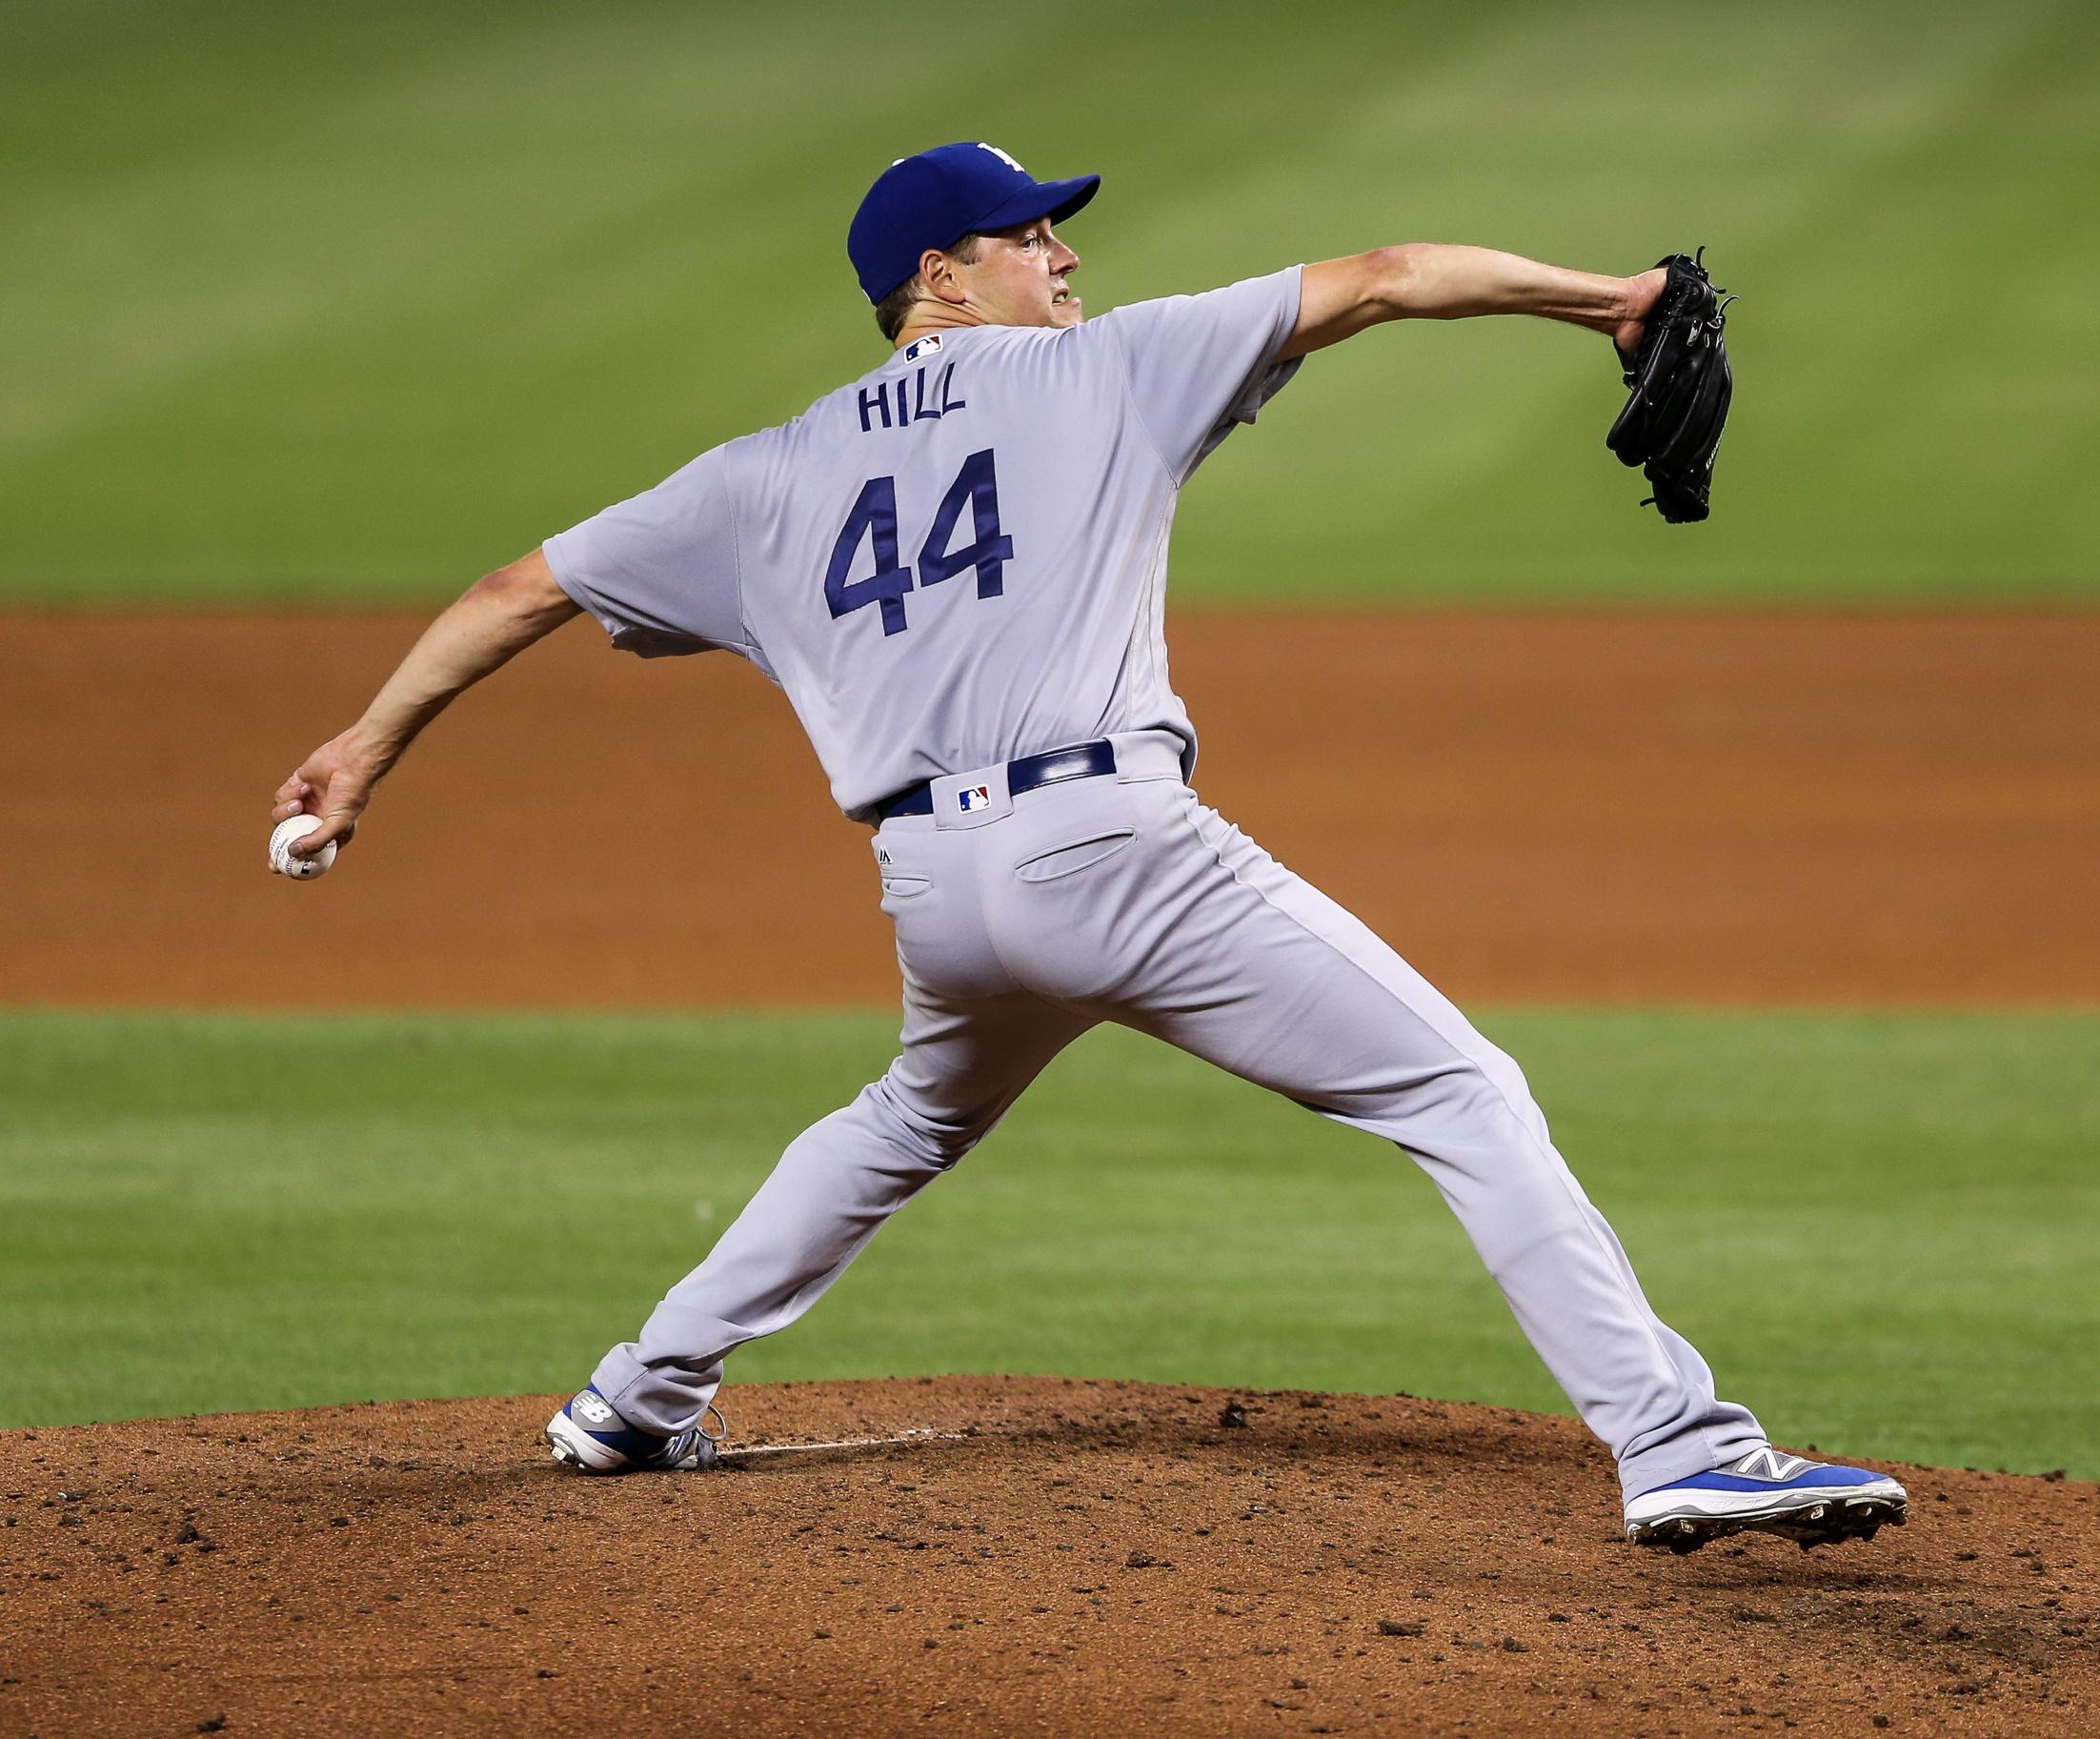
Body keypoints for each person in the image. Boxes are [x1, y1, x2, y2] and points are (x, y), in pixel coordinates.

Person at [270, 142, 1905, 1552]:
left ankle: (638, 1397)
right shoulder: (1107, 366)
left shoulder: (756, 478)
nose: (1066, 253)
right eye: (1030, 233)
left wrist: (361, 749)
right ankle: (1681, 1446)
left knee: (910, 1114)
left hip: (938, 893)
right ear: (941, 274)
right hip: (1117, 850)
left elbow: (517, 592)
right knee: (1457, 1090)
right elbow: (1392, 274)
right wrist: (1601, 297)